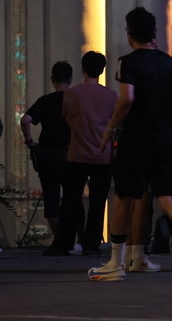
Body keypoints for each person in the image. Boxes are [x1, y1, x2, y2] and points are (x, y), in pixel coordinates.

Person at [89, 7, 172, 282]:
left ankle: (116, 263)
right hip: (162, 138)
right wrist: (160, 121)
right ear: (154, 32)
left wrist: (111, 128)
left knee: (123, 196)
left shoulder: (129, 63)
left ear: (130, 33)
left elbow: (127, 98)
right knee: (168, 196)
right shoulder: (169, 62)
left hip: (134, 138)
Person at [50, 52, 115, 257]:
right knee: (98, 201)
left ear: (83, 69)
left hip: (77, 153)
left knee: (71, 200)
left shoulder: (71, 94)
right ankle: (91, 243)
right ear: (102, 70)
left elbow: (68, 118)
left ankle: (65, 242)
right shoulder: (111, 96)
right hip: (103, 154)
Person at [23, 61, 73, 241]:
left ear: (52, 79)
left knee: (51, 199)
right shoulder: (74, 99)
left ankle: (60, 240)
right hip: (70, 154)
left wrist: (30, 142)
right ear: (71, 79)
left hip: (48, 155)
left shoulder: (45, 101)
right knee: (71, 198)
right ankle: (74, 240)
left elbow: (25, 120)